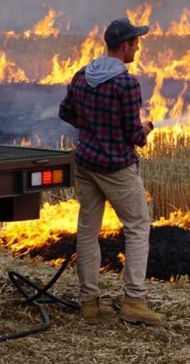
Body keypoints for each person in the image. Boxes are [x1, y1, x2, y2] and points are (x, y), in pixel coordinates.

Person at [59, 17, 165, 325]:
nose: (138, 48)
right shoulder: (125, 83)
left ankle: (89, 304)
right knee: (138, 226)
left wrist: (92, 128)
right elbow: (134, 135)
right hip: (116, 167)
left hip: (86, 163)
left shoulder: (82, 75)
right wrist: (145, 129)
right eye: (136, 43)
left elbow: (65, 112)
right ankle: (134, 301)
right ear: (126, 45)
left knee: (87, 232)